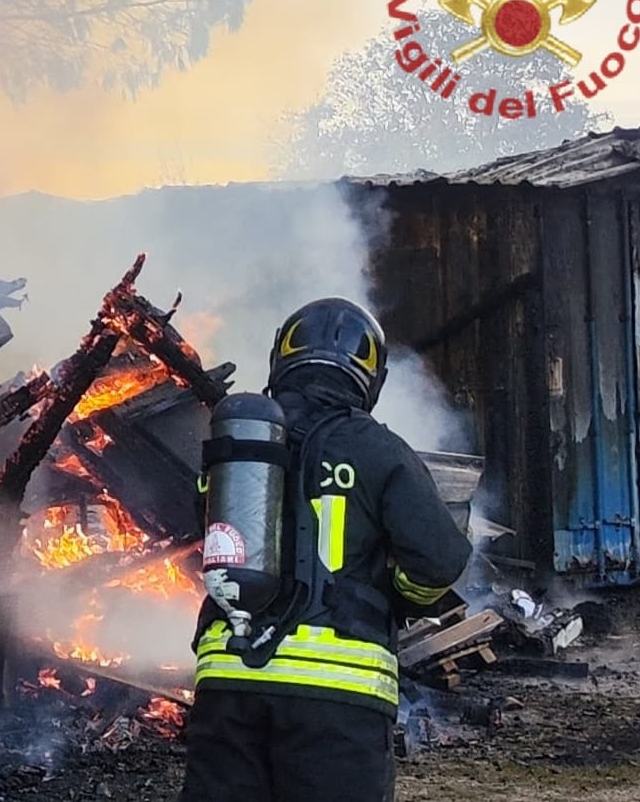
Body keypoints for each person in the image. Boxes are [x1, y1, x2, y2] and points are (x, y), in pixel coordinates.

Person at [177, 297, 473, 802]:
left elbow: (206, 545)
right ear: (371, 378)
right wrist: (396, 599)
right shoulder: (379, 450)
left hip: (229, 679)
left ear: (281, 358)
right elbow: (440, 560)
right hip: (338, 692)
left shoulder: (237, 446)